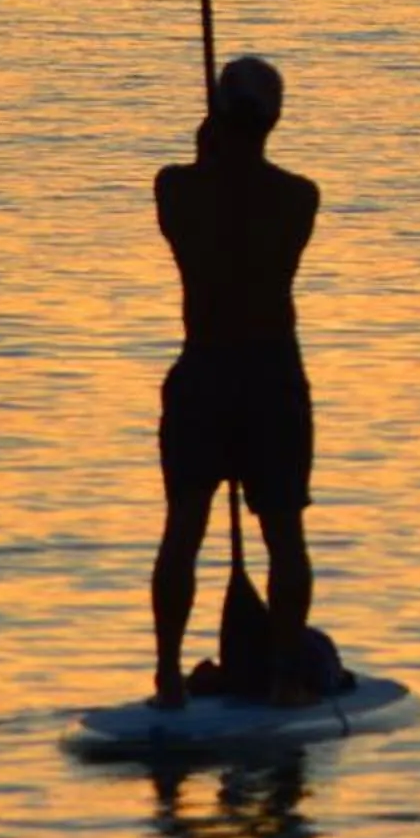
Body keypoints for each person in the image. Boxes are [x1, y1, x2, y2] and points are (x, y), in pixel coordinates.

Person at [149, 55, 322, 709]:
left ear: (216, 117)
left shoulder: (175, 189)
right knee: (283, 536)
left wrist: (206, 149)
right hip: (270, 377)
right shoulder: (299, 196)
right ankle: (283, 677)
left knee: (183, 527)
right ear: (275, 119)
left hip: (203, 374)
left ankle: (168, 678)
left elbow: (195, 195)